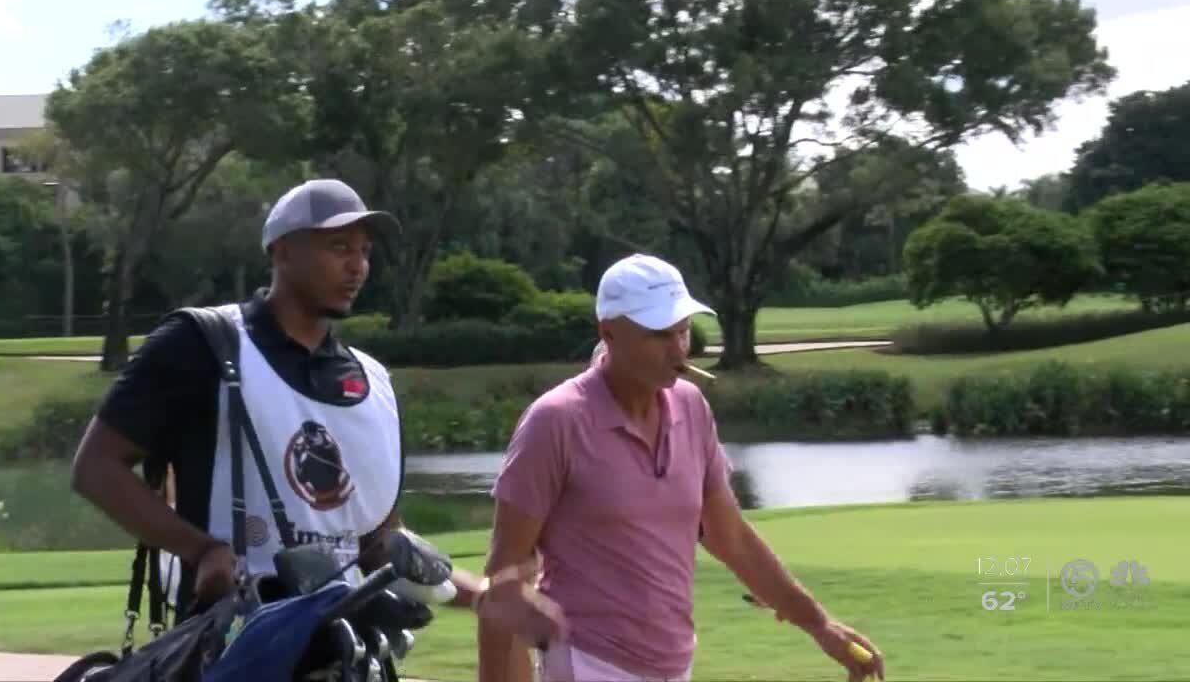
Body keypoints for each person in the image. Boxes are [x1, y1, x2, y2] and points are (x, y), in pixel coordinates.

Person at [71, 178, 565, 648]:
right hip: (231, 651)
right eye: (339, 248)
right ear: (281, 251)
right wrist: (199, 550)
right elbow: (96, 468)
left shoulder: (374, 383)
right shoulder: (199, 344)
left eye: (364, 251)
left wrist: (479, 595)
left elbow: (377, 544)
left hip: (345, 655)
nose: (358, 267)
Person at [477, 253, 886, 682]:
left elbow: (731, 538)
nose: (678, 348)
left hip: (675, 664)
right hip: (588, 662)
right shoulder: (557, 421)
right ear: (608, 332)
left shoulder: (691, 407)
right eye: (659, 334)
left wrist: (819, 624)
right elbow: (503, 577)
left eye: (683, 330)